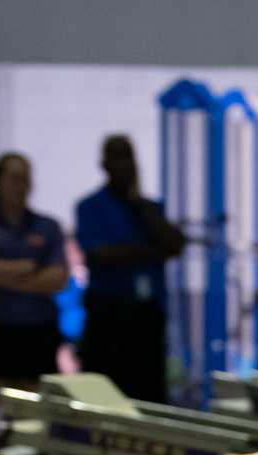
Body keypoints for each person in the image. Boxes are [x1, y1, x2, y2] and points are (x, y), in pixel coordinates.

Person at [0, 152, 68, 444]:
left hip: (36, 335)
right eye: (14, 178)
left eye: (25, 179)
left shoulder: (47, 227)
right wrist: (28, 266)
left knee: (36, 424)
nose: (20, 186)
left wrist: (1, 273)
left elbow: (58, 279)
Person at [74, 135, 186, 404]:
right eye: (117, 157)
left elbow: (174, 244)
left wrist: (139, 206)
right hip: (107, 316)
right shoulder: (90, 207)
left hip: (145, 319)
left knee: (148, 396)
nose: (123, 165)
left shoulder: (149, 208)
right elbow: (100, 254)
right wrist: (148, 251)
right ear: (104, 163)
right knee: (102, 395)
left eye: (128, 157)